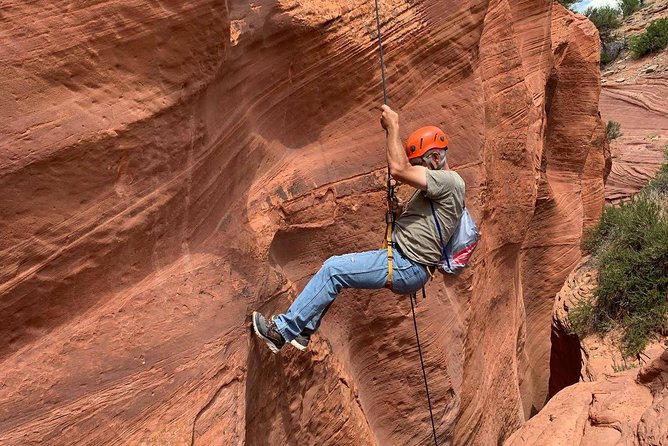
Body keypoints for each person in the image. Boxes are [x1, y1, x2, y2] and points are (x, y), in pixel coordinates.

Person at [252, 104, 465, 353]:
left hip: (407, 264)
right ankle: (305, 329)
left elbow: (399, 170)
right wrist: (398, 212)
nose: (417, 170)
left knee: (333, 270)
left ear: (436, 158)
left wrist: (393, 126)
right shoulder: (443, 188)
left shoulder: (451, 181)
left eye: (419, 164)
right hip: (408, 264)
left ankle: (282, 332)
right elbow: (426, 223)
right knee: (336, 273)